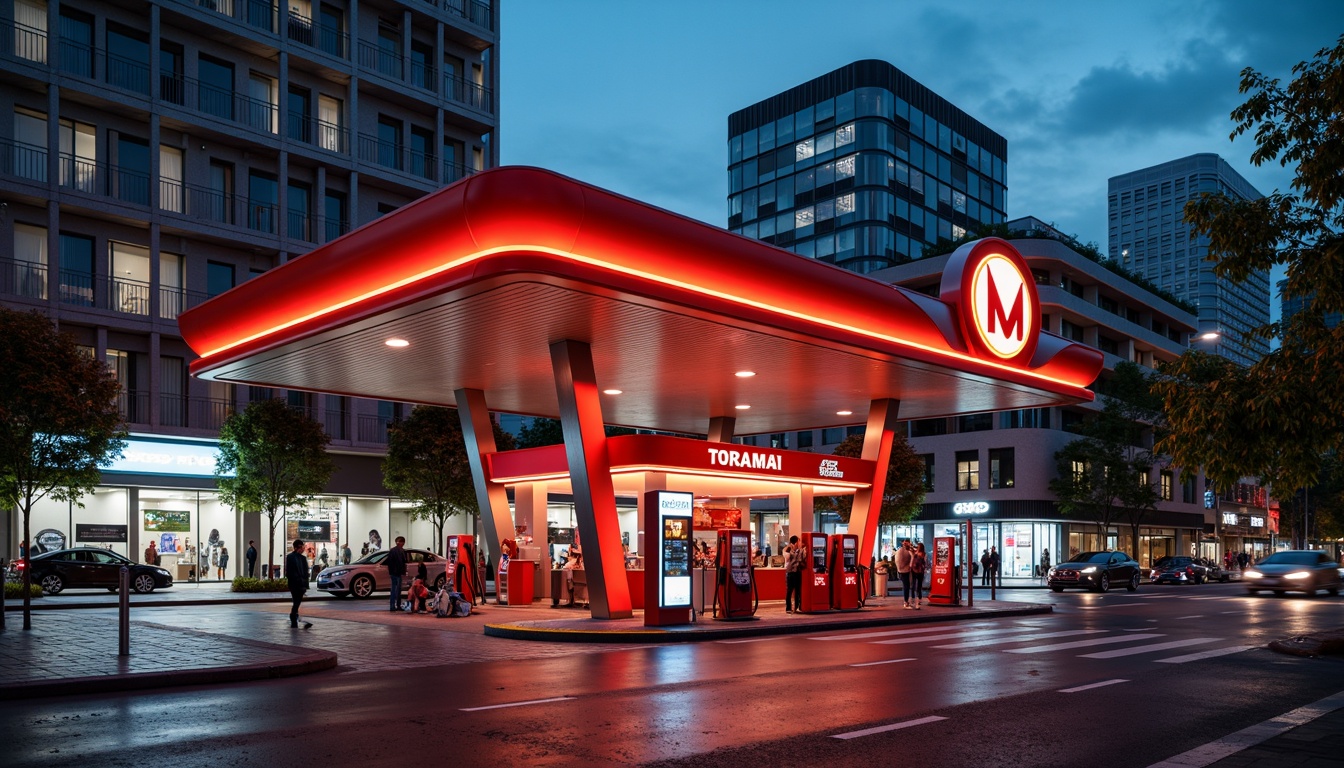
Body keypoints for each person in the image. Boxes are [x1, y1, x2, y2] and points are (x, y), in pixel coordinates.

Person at [285, 539, 311, 629]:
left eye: (302, 547)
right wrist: (295, 579)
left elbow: (305, 572)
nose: (302, 549)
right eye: (300, 547)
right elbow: (289, 571)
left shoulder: (303, 558)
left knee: (297, 601)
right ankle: (293, 616)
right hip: (294, 583)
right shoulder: (290, 557)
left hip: (301, 584)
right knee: (296, 600)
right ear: (296, 547)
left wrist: (305, 584)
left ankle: (294, 615)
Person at [386, 536, 408, 612]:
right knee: (396, 590)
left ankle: (394, 605)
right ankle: (395, 605)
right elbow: (402, 562)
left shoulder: (394, 550)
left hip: (395, 572)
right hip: (396, 573)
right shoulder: (400, 551)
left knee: (395, 590)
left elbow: (389, 562)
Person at [783, 535, 804, 614]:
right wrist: (792, 551)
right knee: (789, 590)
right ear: (795, 542)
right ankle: (788, 608)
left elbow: (802, 559)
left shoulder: (800, 550)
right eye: (799, 541)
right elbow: (787, 557)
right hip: (790, 572)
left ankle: (797, 607)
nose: (799, 543)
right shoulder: (787, 549)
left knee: (798, 590)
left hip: (797, 572)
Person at [895, 539, 915, 609]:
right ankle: (906, 602)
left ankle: (907, 601)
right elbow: (913, 558)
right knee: (907, 586)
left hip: (900, 570)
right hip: (905, 570)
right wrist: (910, 566)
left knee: (906, 586)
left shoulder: (899, 550)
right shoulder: (908, 551)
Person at [911, 542, 927, 609]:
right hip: (920, 571)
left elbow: (912, 560)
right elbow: (925, 563)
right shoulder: (924, 554)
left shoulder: (915, 553)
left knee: (913, 584)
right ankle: (919, 598)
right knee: (919, 585)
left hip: (914, 570)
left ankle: (913, 597)